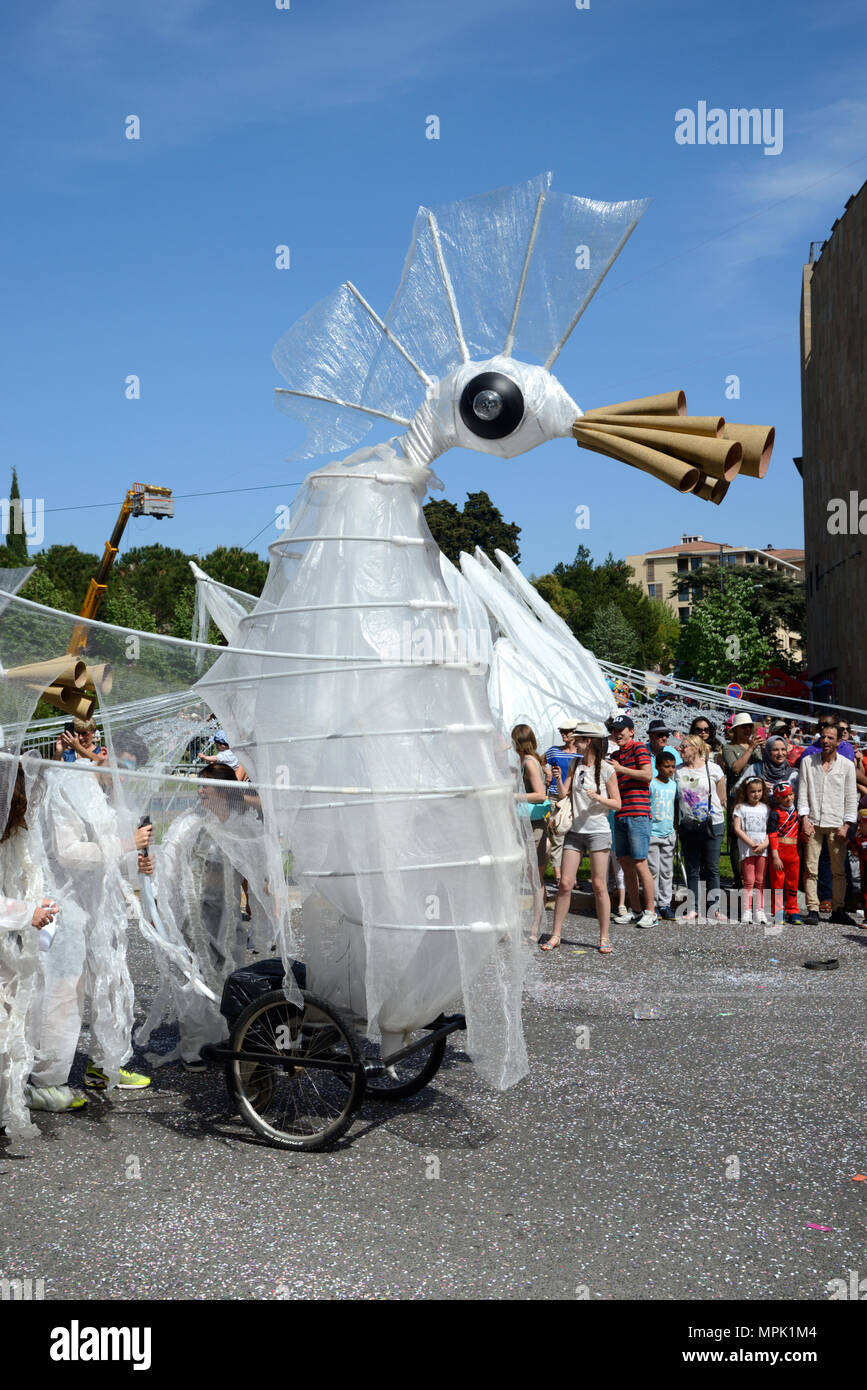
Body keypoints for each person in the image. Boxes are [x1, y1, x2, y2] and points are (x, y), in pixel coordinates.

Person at [0, 760, 62, 1133]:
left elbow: (24, 881)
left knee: (10, 1029)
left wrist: (41, 907)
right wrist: (27, 913)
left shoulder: (15, 836)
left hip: (8, 946)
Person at [546, 723, 620, 953]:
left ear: (588, 741)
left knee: (599, 885)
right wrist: (557, 779)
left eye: (578, 739)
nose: (573, 741)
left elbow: (617, 804)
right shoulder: (575, 764)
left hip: (598, 831)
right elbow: (563, 794)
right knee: (565, 883)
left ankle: (604, 936)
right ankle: (555, 934)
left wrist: (598, 798)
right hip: (576, 831)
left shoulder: (607, 770)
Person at [797, 722, 857, 925]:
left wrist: (847, 824)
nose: (825, 741)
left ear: (839, 741)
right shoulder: (808, 762)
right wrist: (804, 819)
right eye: (823, 737)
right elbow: (803, 793)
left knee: (838, 870)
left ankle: (838, 909)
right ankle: (813, 908)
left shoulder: (847, 766)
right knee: (810, 868)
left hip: (837, 822)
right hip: (813, 821)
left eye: (830, 738)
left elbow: (851, 797)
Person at [608, 715, 656, 928]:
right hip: (621, 813)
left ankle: (651, 912)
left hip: (638, 813)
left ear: (631, 731)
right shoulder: (616, 755)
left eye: (621, 729)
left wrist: (621, 769)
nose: (617, 733)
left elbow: (647, 775)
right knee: (625, 862)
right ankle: (635, 910)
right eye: (614, 730)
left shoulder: (639, 749)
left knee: (639, 862)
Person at [675, 734, 727, 922]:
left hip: (712, 822)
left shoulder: (712, 769)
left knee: (712, 866)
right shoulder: (677, 771)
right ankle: (693, 907)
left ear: (696, 748)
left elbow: (721, 797)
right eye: (680, 747)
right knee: (692, 867)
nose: (681, 750)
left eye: (684, 746)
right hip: (688, 824)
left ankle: (714, 908)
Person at [543, 719, 579, 894]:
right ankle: (559, 875)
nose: (564, 734)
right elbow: (539, 761)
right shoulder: (553, 751)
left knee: (574, 836)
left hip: (574, 796)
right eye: (562, 731)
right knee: (558, 834)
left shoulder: (580, 753)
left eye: (568, 731)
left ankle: (571, 875)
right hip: (556, 796)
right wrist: (548, 771)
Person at [512, 724, 550, 882]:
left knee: (533, 875)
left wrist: (515, 796)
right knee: (535, 876)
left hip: (533, 823)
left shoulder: (529, 762)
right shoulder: (531, 760)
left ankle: (537, 907)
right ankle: (537, 907)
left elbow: (540, 795)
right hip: (532, 821)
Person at [732, 778, 771, 925]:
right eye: (753, 791)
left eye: (759, 791)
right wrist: (751, 843)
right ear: (746, 792)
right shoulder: (740, 808)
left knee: (761, 881)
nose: (756, 794)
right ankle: (747, 910)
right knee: (749, 881)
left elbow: (770, 830)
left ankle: (760, 910)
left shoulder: (766, 809)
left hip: (762, 850)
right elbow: (737, 828)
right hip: (747, 849)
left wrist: (764, 844)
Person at [768, 781, 802, 925]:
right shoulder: (775, 813)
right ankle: (778, 910)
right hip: (779, 852)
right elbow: (772, 834)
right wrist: (775, 856)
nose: (788, 799)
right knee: (777, 883)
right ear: (778, 799)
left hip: (794, 853)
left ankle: (793, 910)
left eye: (791, 795)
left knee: (793, 883)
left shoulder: (798, 812)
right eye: (784, 797)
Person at [648, 751, 677, 920]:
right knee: (653, 871)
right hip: (653, 832)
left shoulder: (673, 785)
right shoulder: (652, 784)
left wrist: (674, 828)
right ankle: (652, 903)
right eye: (667, 766)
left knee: (667, 871)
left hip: (668, 832)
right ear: (657, 767)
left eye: (672, 767)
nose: (670, 770)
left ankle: (665, 904)